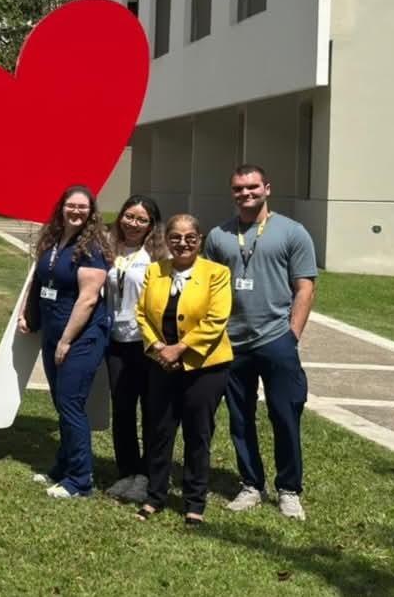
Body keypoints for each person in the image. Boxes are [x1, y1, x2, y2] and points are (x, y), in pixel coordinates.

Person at [204, 164, 318, 521]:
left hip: (275, 339)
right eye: (239, 188)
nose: (246, 193)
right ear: (232, 192)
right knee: (240, 418)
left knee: (285, 415)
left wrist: (292, 334)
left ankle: (289, 490)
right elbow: (207, 286)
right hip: (231, 341)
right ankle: (251, 484)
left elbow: (305, 287)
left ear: (267, 188)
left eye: (252, 187)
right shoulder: (219, 236)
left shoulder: (292, 232)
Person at [134, 214, 233, 525]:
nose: (182, 243)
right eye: (175, 237)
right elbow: (141, 314)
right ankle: (155, 495)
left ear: (200, 239)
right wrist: (158, 348)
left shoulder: (216, 273)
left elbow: (216, 319)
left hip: (204, 367)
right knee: (159, 432)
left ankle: (194, 501)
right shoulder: (155, 270)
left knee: (197, 433)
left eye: (190, 237)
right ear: (166, 240)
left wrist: (180, 349)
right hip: (161, 364)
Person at [18, 185, 111, 498]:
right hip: (54, 332)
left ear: (91, 212)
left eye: (83, 207)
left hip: (81, 338)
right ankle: (64, 465)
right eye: (71, 205)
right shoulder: (55, 240)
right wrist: (26, 314)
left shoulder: (93, 247)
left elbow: (87, 299)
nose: (76, 211)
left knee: (71, 404)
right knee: (61, 403)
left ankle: (80, 480)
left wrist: (66, 340)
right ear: (62, 207)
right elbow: (40, 281)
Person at [102, 194, 166, 503]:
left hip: (149, 343)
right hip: (116, 342)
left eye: (141, 219)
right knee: (123, 410)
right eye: (129, 216)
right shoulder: (108, 248)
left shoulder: (159, 255)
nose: (134, 224)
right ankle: (127, 471)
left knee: (152, 411)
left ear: (151, 225)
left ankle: (148, 475)